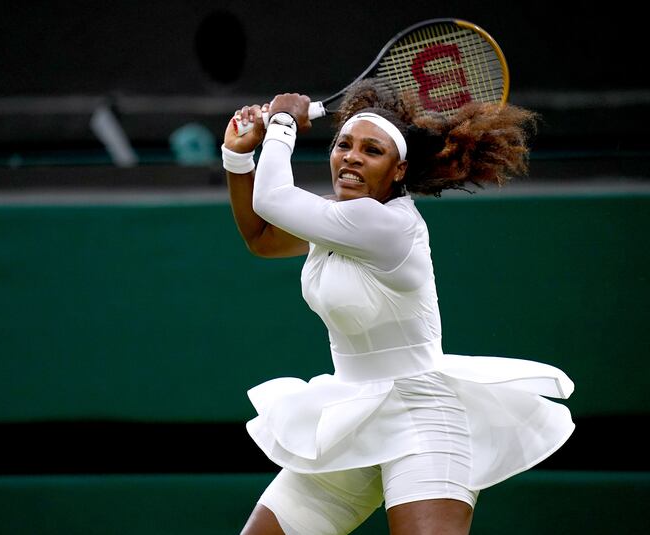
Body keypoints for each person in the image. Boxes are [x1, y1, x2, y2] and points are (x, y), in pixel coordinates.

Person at [221, 80, 575, 535]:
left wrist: (284, 123)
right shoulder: (334, 220)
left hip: (423, 418)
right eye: (343, 145)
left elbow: (272, 200)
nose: (351, 156)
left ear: (399, 169)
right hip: (351, 417)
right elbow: (263, 238)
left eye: (372, 151)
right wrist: (236, 157)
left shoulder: (385, 226)